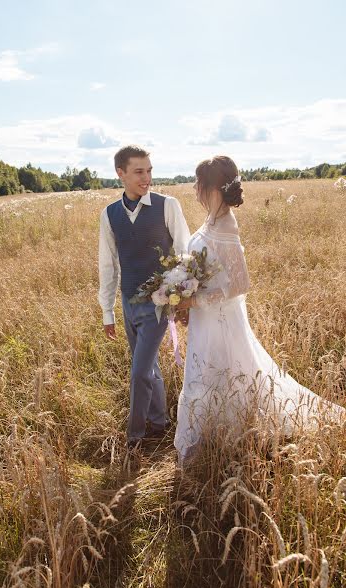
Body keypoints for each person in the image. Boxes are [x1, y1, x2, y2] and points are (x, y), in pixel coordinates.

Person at [174, 155, 345, 462]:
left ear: (211, 187)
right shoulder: (211, 219)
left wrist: (195, 299)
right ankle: (210, 440)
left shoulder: (225, 224)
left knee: (226, 373)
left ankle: (224, 442)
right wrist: (183, 294)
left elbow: (240, 283)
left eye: (199, 182)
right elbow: (208, 270)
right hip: (206, 319)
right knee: (207, 374)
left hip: (221, 320)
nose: (195, 188)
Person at [98, 145, 190, 450]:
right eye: (139, 171)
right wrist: (107, 312)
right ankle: (160, 421)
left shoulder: (168, 205)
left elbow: (184, 253)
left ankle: (135, 437)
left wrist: (177, 295)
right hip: (127, 304)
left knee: (138, 372)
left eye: (149, 170)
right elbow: (108, 264)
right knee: (148, 367)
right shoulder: (109, 214)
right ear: (120, 174)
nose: (147, 177)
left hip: (158, 305)